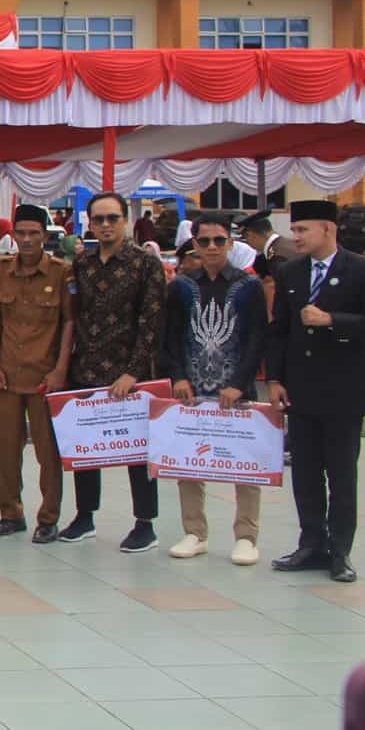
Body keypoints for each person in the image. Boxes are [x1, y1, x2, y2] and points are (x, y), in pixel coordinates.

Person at [267, 199, 365, 583]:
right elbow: (280, 330)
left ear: (327, 229)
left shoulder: (364, 269)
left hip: (343, 391)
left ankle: (340, 551)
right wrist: (275, 379)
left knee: (341, 476)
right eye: (294, 229)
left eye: (303, 229)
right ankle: (311, 543)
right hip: (302, 389)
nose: (296, 237)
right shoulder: (290, 272)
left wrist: (332, 320)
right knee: (305, 474)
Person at [65, 191, 167, 552]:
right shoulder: (82, 263)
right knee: (86, 449)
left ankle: (145, 523)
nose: (106, 225)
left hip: (129, 373)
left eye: (113, 218)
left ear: (125, 220)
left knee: (137, 450)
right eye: (99, 219)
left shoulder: (145, 263)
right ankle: (84, 516)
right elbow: (75, 313)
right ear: (90, 223)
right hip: (86, 367)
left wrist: (133, 372)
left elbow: (152, 322)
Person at [163, 212, 267, 565]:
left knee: (245, 463)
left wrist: (240, 383)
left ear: (230, 243)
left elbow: (257, 338)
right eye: (204, 241)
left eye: (219, 240)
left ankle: (246, 536)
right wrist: (178, 377)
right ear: (194, 244)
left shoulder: (248, 286)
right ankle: (195, 531)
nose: (212, 247)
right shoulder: (181, 286)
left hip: (236, 389)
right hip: (192, 387)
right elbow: (171, 337)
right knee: (189, 460)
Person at [0, 205, 75, 543]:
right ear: (13, 236)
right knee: (6, 449)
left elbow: (69, 322)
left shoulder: (61, 273)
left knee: (47, 451)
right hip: (6, 373)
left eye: (34, 233)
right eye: (21, 233)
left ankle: (48, 518)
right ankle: (10, 514)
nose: (28, 239)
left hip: (44, 376)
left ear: (45, 236)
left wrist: (60, 369)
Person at [240, 209, 285, 280]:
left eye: (246, 239)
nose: (249, 244)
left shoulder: (277, 256)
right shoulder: (285, 244)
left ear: (250, 235)